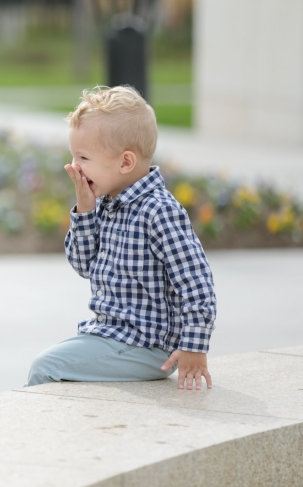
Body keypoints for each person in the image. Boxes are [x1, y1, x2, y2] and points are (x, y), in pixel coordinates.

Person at [26, 86, 217, 390]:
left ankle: (34, 438)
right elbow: (83, 265)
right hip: (111, 334)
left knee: (46, 367)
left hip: (146, 345)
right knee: (58, 364)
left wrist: (195, 347)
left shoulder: (159, 211)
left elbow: (196, 282)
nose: (75, 167)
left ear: (125, 163)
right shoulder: (106, 203)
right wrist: (85, 210)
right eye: (74, 156)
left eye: (84, 158)